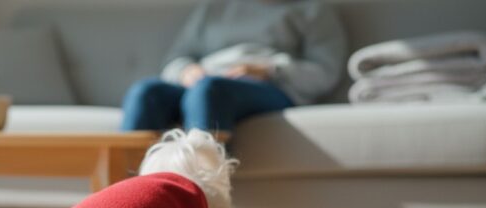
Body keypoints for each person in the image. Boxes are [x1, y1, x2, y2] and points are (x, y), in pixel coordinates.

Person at [121, 0, 346, 140]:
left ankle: (203, 201)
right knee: (146, 91)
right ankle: (123, 198)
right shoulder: (214, 8)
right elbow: (176, 58)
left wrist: (269, 69)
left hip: (269, 87)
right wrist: (186, 70)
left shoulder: (313, 10)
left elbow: (325, 72)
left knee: (209, 91)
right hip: (205, 81)